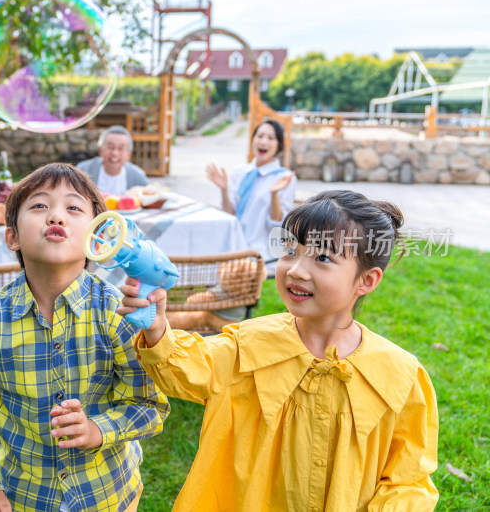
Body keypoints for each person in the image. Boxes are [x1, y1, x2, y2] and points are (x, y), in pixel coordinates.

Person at [120, 190, 439, 511]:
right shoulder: (249, 345)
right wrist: (158, 327)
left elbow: (409, 478)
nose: (297, 269)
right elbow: (187, 370)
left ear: (366, 280)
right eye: (290, 250)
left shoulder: (400, 376)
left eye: (323, 257)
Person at [0, 163, 170, 512]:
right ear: (12, 236)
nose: (56, 217)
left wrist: (96, 430)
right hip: (25, 498)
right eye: (39, 206)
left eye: (73, 208)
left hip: (108, 495)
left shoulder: (119, 316)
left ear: (99, 239)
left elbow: (149, 405)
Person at [205, 119, 296, 270]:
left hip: (260, 249)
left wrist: (273, 194)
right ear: (253, 140)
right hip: (233, 242)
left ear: (279, 146)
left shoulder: (285, 178)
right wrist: (224, 189)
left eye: (270, 138)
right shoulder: (240, 171)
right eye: (260, 136)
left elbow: (277, 224)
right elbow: (230, 214)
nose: (263, 141)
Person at [77, 125, 148, 195]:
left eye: (120, 148)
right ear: (100, 150)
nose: (115, 153)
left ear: (129, 154)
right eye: (110, 147)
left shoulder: (138, 177)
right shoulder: (83, 171)